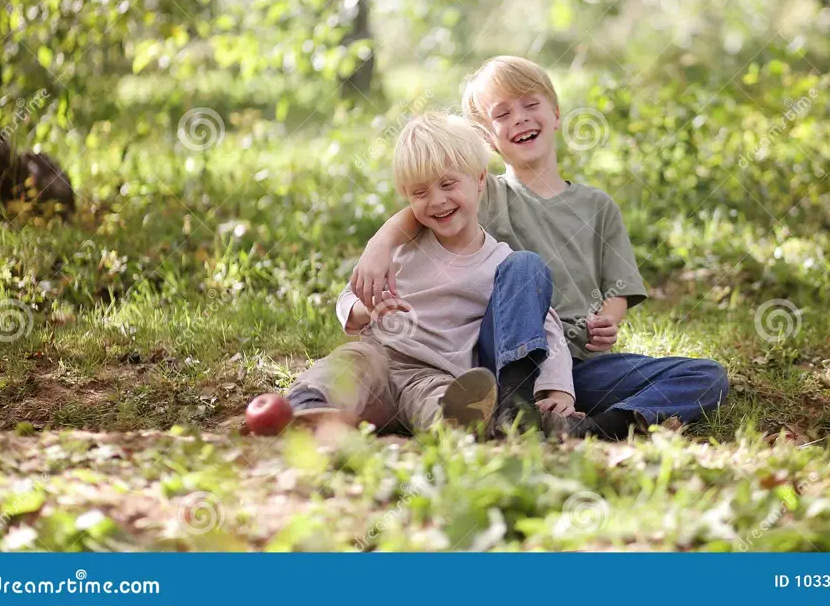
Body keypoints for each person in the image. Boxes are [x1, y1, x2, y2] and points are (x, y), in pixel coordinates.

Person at [351, 56, 729, 440]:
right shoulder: (486, 190)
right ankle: (516, 403)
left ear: (556, 114)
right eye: (502, 114)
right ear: (485, 140)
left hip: (578, 367)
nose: (520, 118)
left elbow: (621, 288)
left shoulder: (597, 207)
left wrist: (608, 320)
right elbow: (428, 209)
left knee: (706, 376)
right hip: (497, 355)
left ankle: (598, 426)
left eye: (531, 105)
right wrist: (380, 243)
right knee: (524, 267)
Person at [279, 111, 576, 435]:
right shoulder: (398, 247)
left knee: (443, 407)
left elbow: (544, 325)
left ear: (479, 179)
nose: (436, 201)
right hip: (379, 356)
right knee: (347, 365)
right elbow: (348, 297)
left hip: (435, 372)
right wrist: (364, 309)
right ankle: (306, 407)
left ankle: (464, 428)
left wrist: (558, 386)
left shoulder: (499, 263)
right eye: (419, 193)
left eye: (448, 184)